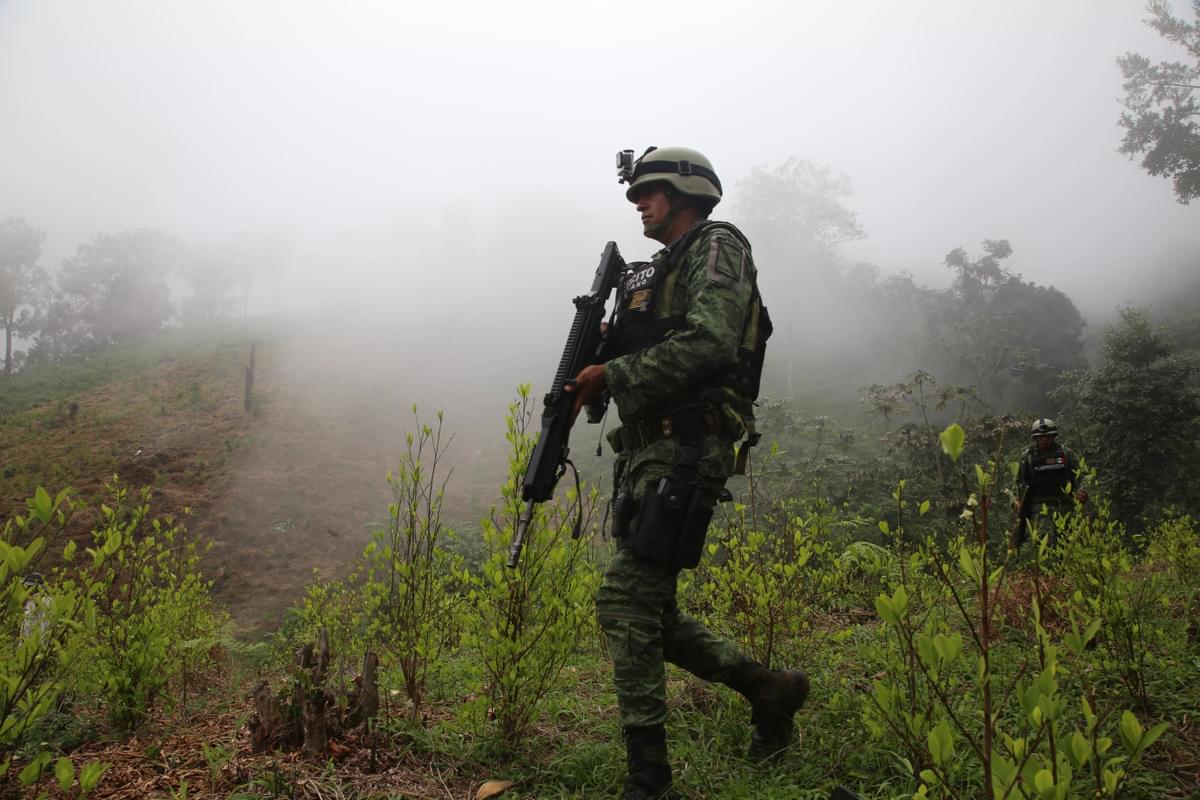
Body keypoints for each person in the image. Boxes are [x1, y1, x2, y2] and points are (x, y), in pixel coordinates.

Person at [565, 147, 809, 800]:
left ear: (683, 191)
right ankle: (771, 689)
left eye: (648, 193)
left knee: (623, 600)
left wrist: (613, 372)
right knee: (655, 615)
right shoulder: (656, 274)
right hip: (646, 451)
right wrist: (603, 363)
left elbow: (711, 341)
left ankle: (650, 783)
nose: (639, 204)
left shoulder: (717, 245)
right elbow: (656, 352)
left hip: (689, 443)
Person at [1014, 418, 1088, 548]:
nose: (1044, 440)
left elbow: (1082, 475)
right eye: (1040, 437)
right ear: (1035, 438)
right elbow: (1019, 481)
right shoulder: (1027, 456)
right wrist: (1015, 501)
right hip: (1038, 508)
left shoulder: (1066, 453)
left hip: (1064, 506)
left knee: (1065, 543)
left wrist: (1083, 490)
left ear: (1053, 436)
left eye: (1047, 436)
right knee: (1044, 543)